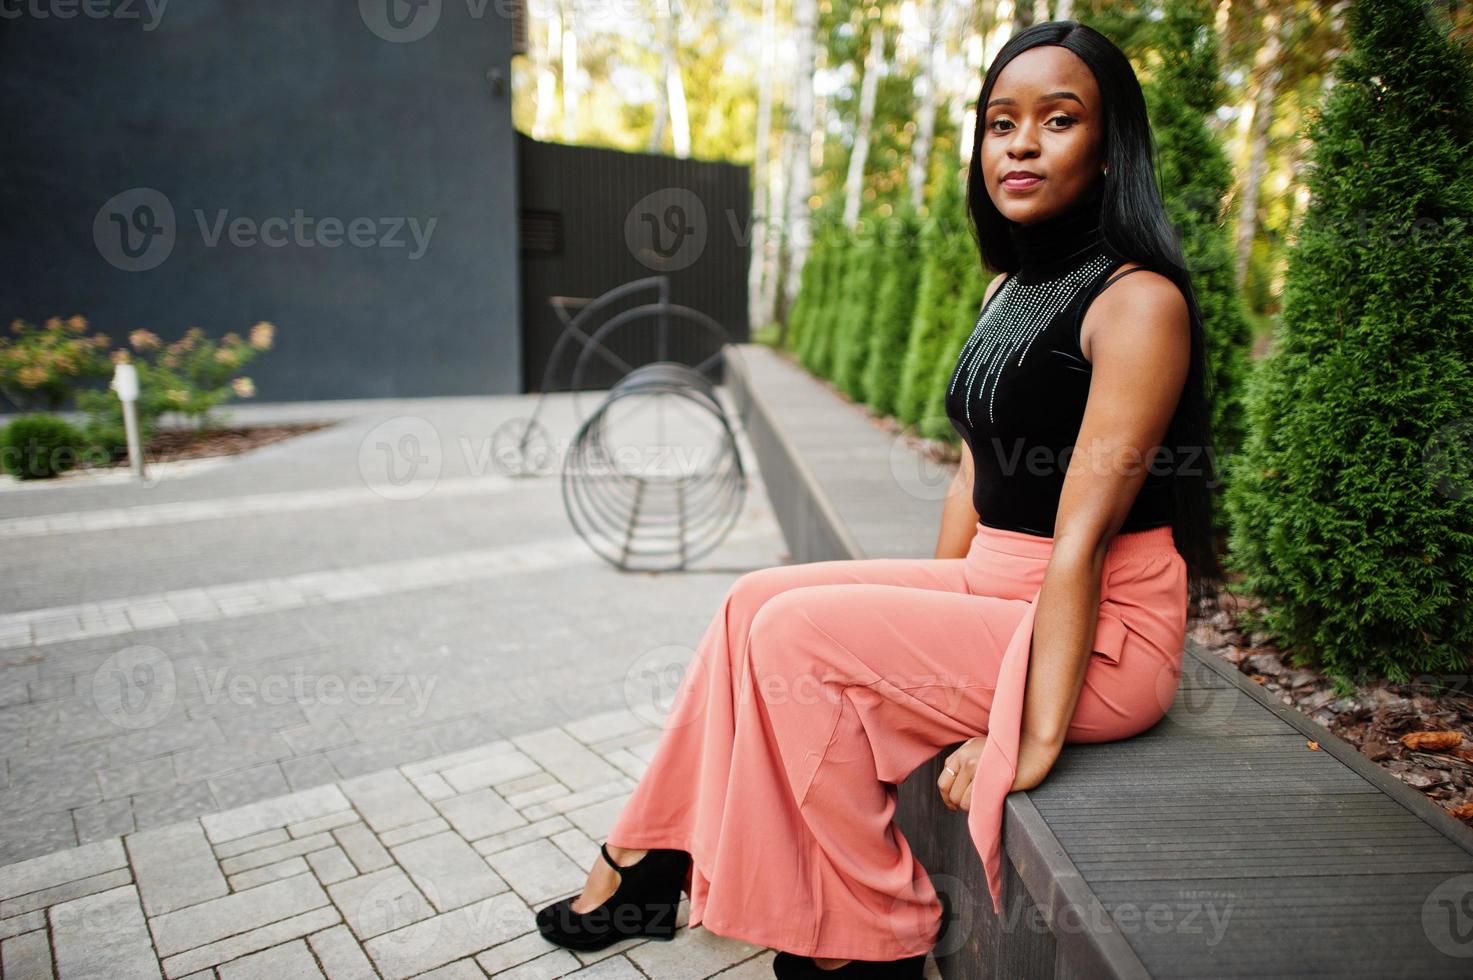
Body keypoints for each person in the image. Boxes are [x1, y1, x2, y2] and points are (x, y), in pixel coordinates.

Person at [535, 18, 1225, 979]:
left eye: (1056, 120)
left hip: (1101, 636)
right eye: (998, 122)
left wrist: (1023, 737)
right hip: (1002, 593)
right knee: (752, 603)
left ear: (1109, 150)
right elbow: (972, 479)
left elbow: (1078, 543)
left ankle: (876, 938)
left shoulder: (1136, 301)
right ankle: (656, 854)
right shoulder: (1010, 290)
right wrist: (911, 639)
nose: (1019, 143)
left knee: (796, 641)